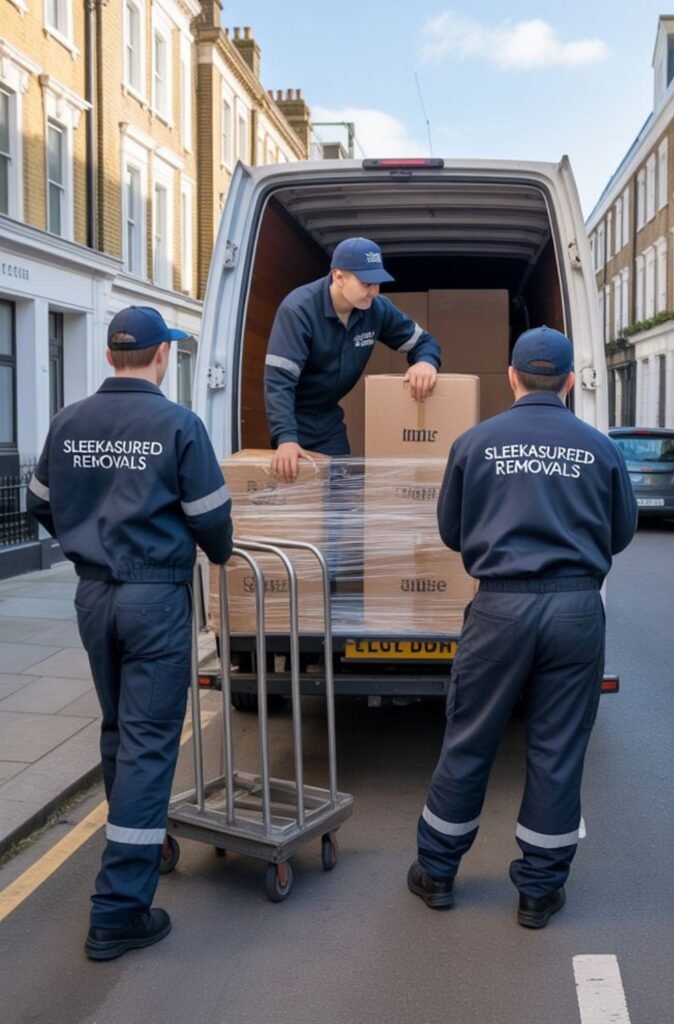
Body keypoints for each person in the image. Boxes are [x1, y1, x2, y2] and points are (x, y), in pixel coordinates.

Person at [407, 326, 637, 927]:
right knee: (558, 749)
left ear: (510, 376)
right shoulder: (600, 447)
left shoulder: (475, 443)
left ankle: (436, 873)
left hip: (499, 608)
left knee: (470, 738)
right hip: (575, 608)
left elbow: (453, 533)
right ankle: (539, 891)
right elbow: (620, 533)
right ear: (566, 382)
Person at [27, 306, 233, 960]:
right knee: (148, 742)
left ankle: (141, 838)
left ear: (113, 355)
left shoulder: (69, 421)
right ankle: (119, 909)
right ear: (160, 355)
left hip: (94, 594)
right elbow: (214, 524)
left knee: (119, 729)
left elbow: (36, 502)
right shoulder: (177, 425)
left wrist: (84, 541)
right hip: (155, 599)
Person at [264, 236, 442, 480]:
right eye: (366, 283)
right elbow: (279, 382)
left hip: (329, 419)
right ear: (339, 277)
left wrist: (425, 362)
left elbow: (424, 341)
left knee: (341, 492)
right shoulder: (298, 310)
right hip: (294, 419)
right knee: (300, 498)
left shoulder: (377, 309)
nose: (374, 291)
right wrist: (285, 438)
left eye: (378, 283)